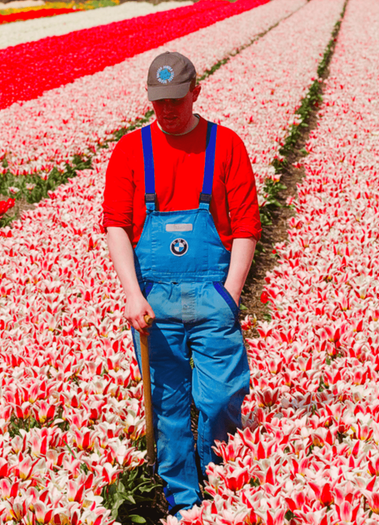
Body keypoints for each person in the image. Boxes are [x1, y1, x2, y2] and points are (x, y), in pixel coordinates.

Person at [102, 52, 262, 516]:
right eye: (158, 101)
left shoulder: (226, 145)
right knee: (168, 404)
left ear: (196, 91)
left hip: (213, 293)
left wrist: (229, 295)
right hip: (154, 297)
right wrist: (132, 294)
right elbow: (116, 225)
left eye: (175, 99)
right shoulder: (131, 150)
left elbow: (247, 226)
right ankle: (183, 502)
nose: (167, 110)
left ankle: (218, 481)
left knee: (221, 396)